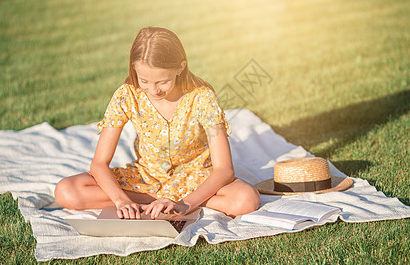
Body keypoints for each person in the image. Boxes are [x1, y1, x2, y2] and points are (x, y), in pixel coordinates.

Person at [54, 26, 260, 220]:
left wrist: (185, 204)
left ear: (180, 68)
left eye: (163, 82)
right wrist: (122, 201)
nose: (154, 91)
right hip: (146, 178)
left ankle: (171, 204)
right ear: (134, 69)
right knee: (66, 191)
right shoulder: (127, 95)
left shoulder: (202, 97)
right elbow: (99, 164)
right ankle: (155, 204)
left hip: (195, 179)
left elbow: (224, 169)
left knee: (246, 198)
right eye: (144, 81)